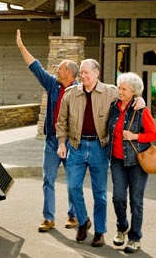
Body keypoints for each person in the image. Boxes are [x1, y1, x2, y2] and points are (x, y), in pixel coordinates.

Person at [56, 59, 144, 248]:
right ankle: (83, 221)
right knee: (73, 188)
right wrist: (61, 143)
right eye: (81, 72)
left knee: (100, 194)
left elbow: (129, 98)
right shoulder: (71, 94)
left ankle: (99, 232)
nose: (83, 75)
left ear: (97, 73)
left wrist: (141, 99)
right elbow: (61, 121)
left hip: (99, 147)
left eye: (87, 72)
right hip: (76, 147)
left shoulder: (111, 92)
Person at [15, 29, 78, 232]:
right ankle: (48, 218)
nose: (56, 71)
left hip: (72, 142)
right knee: (48, 179)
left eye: (59, 69)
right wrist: (21, 47)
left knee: (73, 181)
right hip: (52, 141)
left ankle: (73, 216)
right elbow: (36, 67)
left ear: (69, 73)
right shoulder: (53, 84)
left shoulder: (80, 90)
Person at [107, 72, 156, 254]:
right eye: (119, 88)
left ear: (133, 92)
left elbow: (154, 135)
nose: (120, 91)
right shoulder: (113, 106)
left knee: (136, 201)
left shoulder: (141, 110)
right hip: (117, 161)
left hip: (137, 162)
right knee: (118, 198)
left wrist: (135, 136)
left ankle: (135, 238)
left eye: (124, 89)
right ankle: (122, 228)